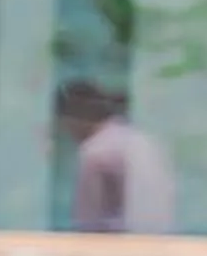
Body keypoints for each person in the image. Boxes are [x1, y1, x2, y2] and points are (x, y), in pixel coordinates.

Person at [57, 79, 177, 235]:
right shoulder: (144, 142)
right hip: (160, 243)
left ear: (72, 120)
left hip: (118, 248)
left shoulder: (96, 152)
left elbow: (88, 223)